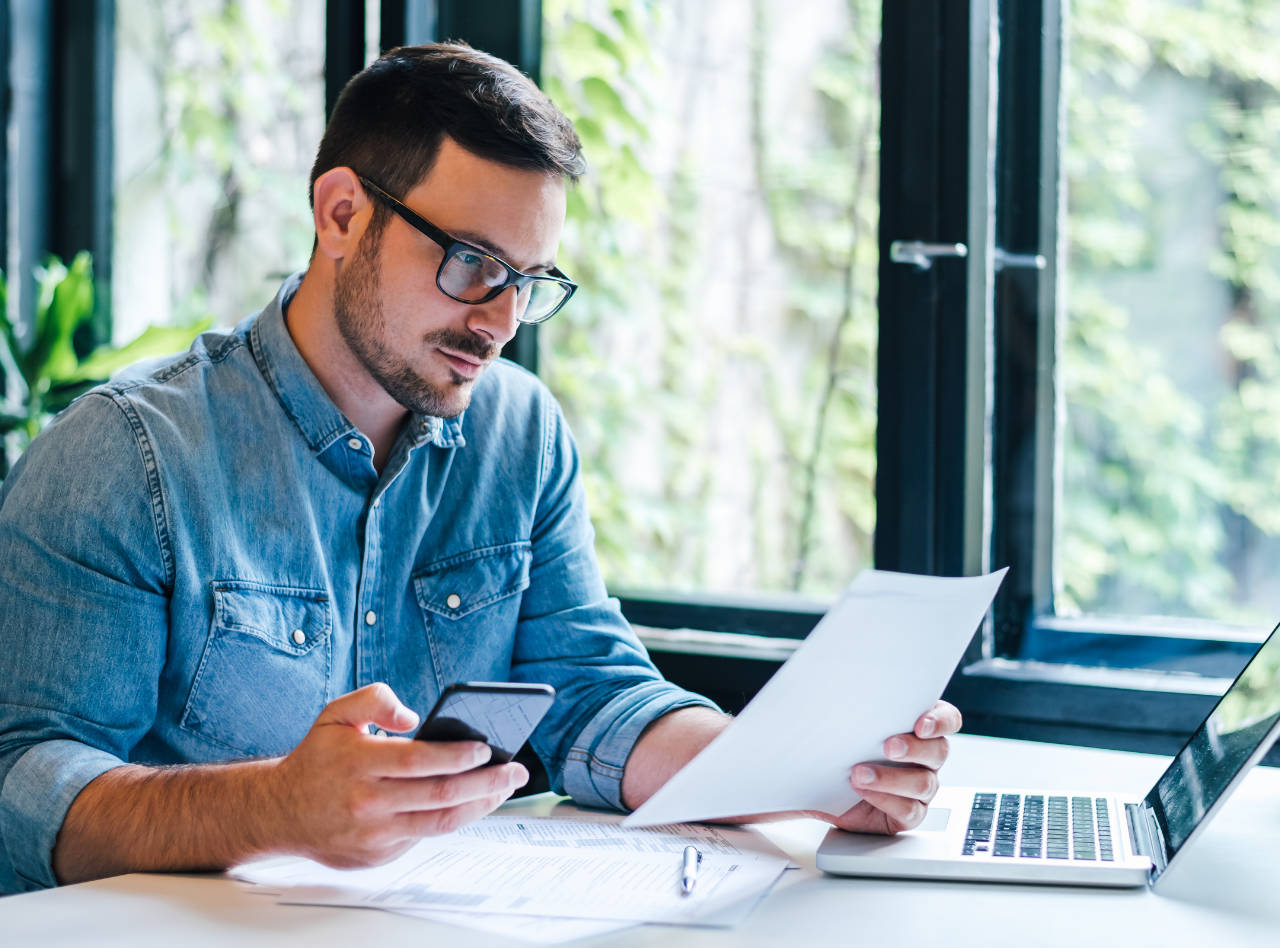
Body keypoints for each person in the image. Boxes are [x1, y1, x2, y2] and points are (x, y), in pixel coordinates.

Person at [0, 43, 960, 894]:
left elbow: (594, 697)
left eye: (529, 282)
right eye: (470, 262)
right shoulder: (126, 454)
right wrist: (274, 807)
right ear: (341, 213)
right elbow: (24, 786)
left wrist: (807, 780)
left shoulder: (520, 435)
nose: (499, 321)